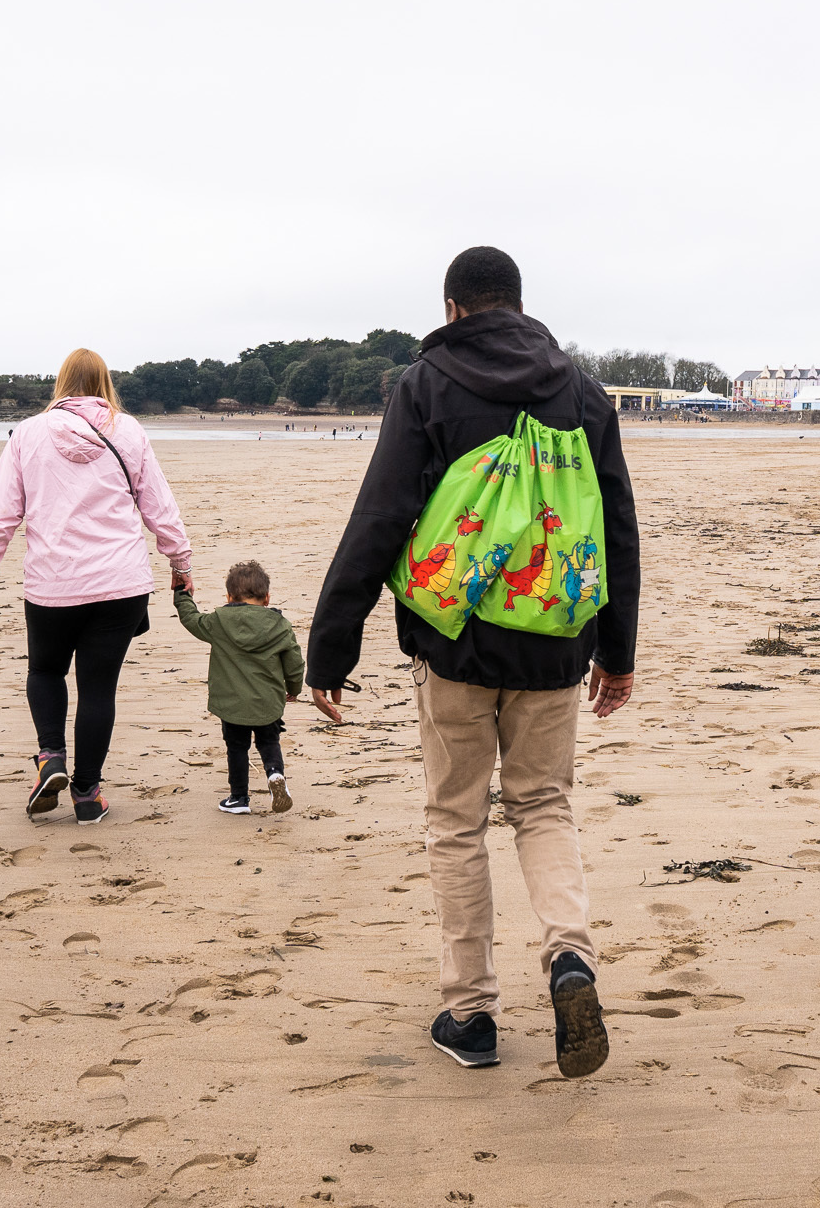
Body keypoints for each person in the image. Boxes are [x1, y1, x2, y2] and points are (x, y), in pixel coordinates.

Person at [306, 245, 640, 1080]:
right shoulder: (583, 392)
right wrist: (617, 649)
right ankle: (569, 960)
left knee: (456, 820)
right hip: (558, 641)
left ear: (452, 307)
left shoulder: (424, 385)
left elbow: (382, 514)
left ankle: (472, 1013)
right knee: (544, 807)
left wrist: (331, 646)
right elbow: (614, 524)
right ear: (519, 306)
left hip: (452, 642)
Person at [0, 348, 194, 825]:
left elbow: (2, 513)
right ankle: (87, 794)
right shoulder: (128, 430)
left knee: (46, 670)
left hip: (54, 583)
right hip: (121, 583)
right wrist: (180, 560)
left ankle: (51, 758)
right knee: (98, 690)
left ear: (62, 382)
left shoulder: (28, 433)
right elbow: (158, 504)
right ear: (105, 382)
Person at [173, 559, 303, 815]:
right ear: (267, 598)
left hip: (232, 704)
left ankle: (239, 798)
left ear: (230, 597)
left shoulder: (219, 622)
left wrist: (182, 595)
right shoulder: (280, 626)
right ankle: (275, 775)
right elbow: (295, 662)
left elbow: (191, 619)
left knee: (236, 748)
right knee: (269, 742)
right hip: (268, 702)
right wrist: (294, 688)